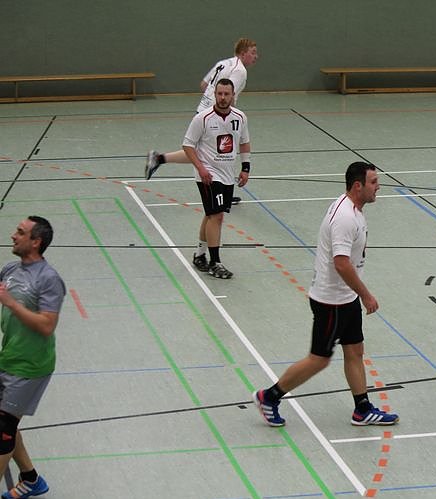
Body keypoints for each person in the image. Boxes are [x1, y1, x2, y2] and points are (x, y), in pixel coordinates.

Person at [252, 162, 399, 427]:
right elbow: (341, 263)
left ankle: (362, 409)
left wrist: (356, 296)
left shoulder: (353, 210)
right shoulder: (344, 217)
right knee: (319, 359)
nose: (379, 187)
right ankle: (269, 396)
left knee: (354, 350)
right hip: (331, 301)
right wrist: (365, 294)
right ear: (358, 186)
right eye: (374, 182)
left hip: (346, 298)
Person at [145, 38, 258, 207]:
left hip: (204, 110)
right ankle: (222, 190)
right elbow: (228, 94)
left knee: (203, 151)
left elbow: (203, 85)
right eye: (253, 52)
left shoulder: (223, 63)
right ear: (243, 53)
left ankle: (159, 159)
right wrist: (228, 116)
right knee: (223, 151)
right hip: (216, 114)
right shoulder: (240, 70)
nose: (256, 56)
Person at [0, 216, 66, 499]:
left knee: (2, 429)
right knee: (7, 424)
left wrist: (12, 304)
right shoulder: (10, 269)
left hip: (31, 366)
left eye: (20, 232)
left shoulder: (49, 279)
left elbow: (47, 325)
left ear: (36, 242)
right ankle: (30, 479)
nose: (13, 235)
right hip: (8, 356)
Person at [183, 78, 251, 279]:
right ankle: (215, 262)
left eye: (226, 94)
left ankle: (200, 254)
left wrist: (245, 168)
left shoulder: (240, 117)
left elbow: (245, 143)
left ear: (233, 95)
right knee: (217, 216)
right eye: (219, 94)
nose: (222, 98)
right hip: (208, 175)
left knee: (211, 214)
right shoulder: (203, 118)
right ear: (215, 95)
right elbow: (187, 145)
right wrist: (200, 168)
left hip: (228, 175)